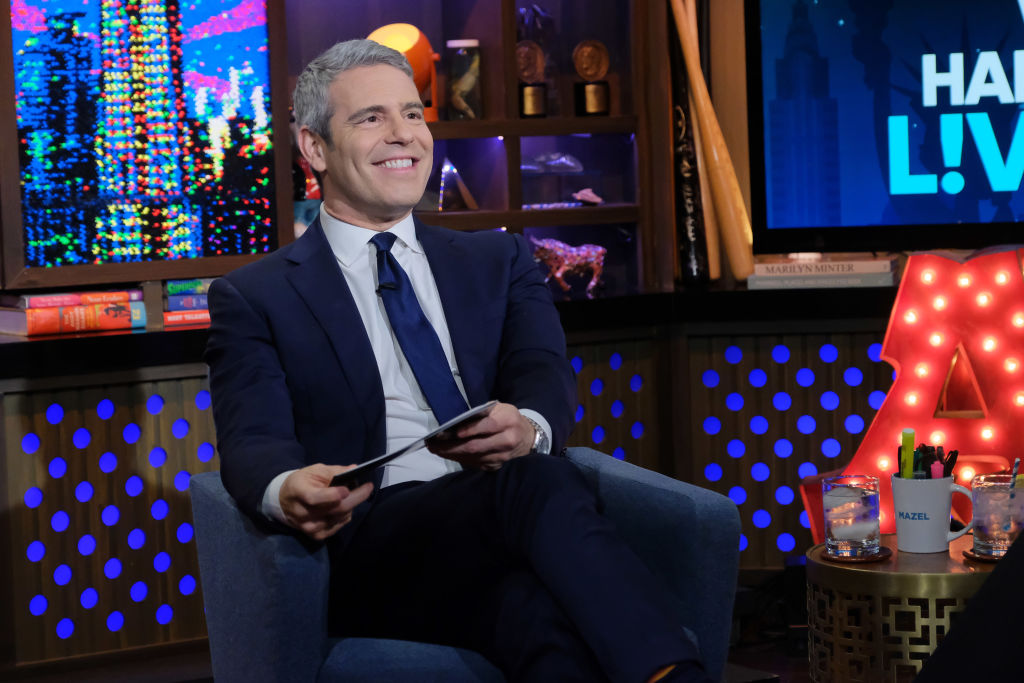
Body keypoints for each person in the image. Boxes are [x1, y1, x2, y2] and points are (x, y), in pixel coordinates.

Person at [205, 39, 711, 683]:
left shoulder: (499, 260)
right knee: (538, 483)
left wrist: (530, 427)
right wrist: (285, 489)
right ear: (315, 147)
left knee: (540, 618)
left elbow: (541, 372)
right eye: (371, 118)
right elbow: (251, 440)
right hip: (376, 545)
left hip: (500, 530)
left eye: (413, 114)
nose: (404, 135)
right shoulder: (255, 295)